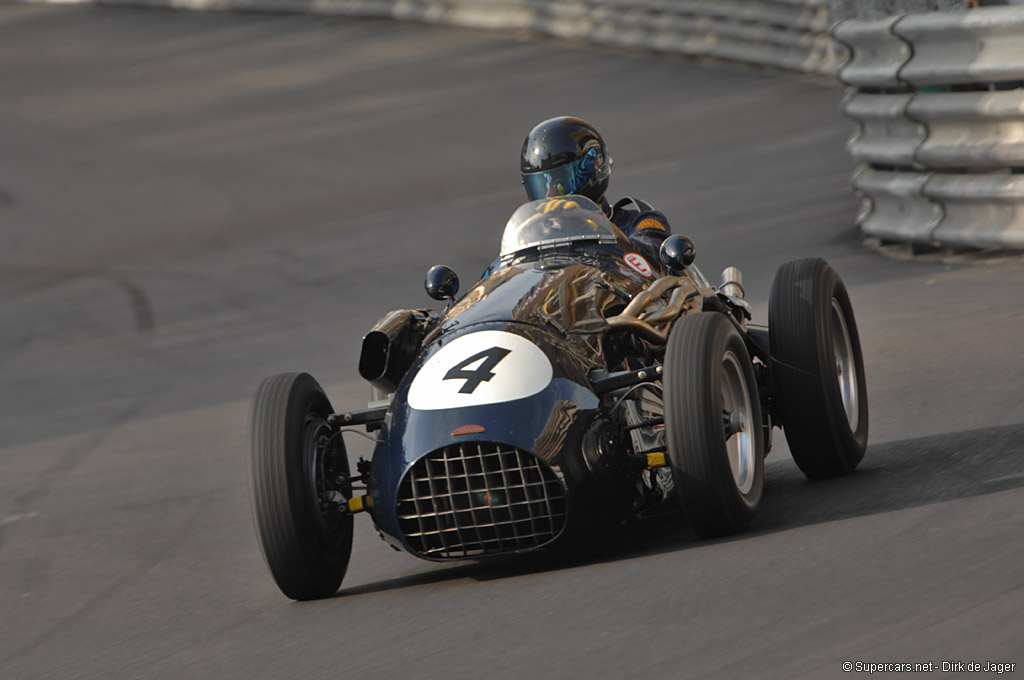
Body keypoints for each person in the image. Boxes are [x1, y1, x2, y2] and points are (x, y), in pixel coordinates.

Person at [520, 116, 671, 260]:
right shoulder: (532, 238)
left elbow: (646, 257)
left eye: (559, 184)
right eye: (541, 186)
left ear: (593, 167)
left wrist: (586, 227)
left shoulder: (639, 222)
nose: (550, 194)